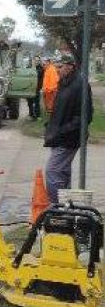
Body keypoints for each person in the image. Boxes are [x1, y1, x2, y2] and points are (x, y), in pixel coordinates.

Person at [44, 55, 92, 205]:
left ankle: (56, 206)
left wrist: (63, 130)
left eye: (60, 67)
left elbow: (85, 115)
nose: (57, 70)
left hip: (69, 137)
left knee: (53, 171)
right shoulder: (65, 82)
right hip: (59, 135)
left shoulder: (79, 84)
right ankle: (65, 207)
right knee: (62, 172)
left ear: (70, 66)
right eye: (56, 66)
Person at [27, 55, 43, 120]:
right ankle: (31, 114)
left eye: (37, 60)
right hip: (29, 88)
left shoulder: (40, 68)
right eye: (35, 60)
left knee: (36, 102)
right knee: (30, 102)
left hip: (36, 88)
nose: (36, 61)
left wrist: (33, 69)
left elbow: (38, 74)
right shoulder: (28, 67)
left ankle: (38, 115)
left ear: (39, 61)